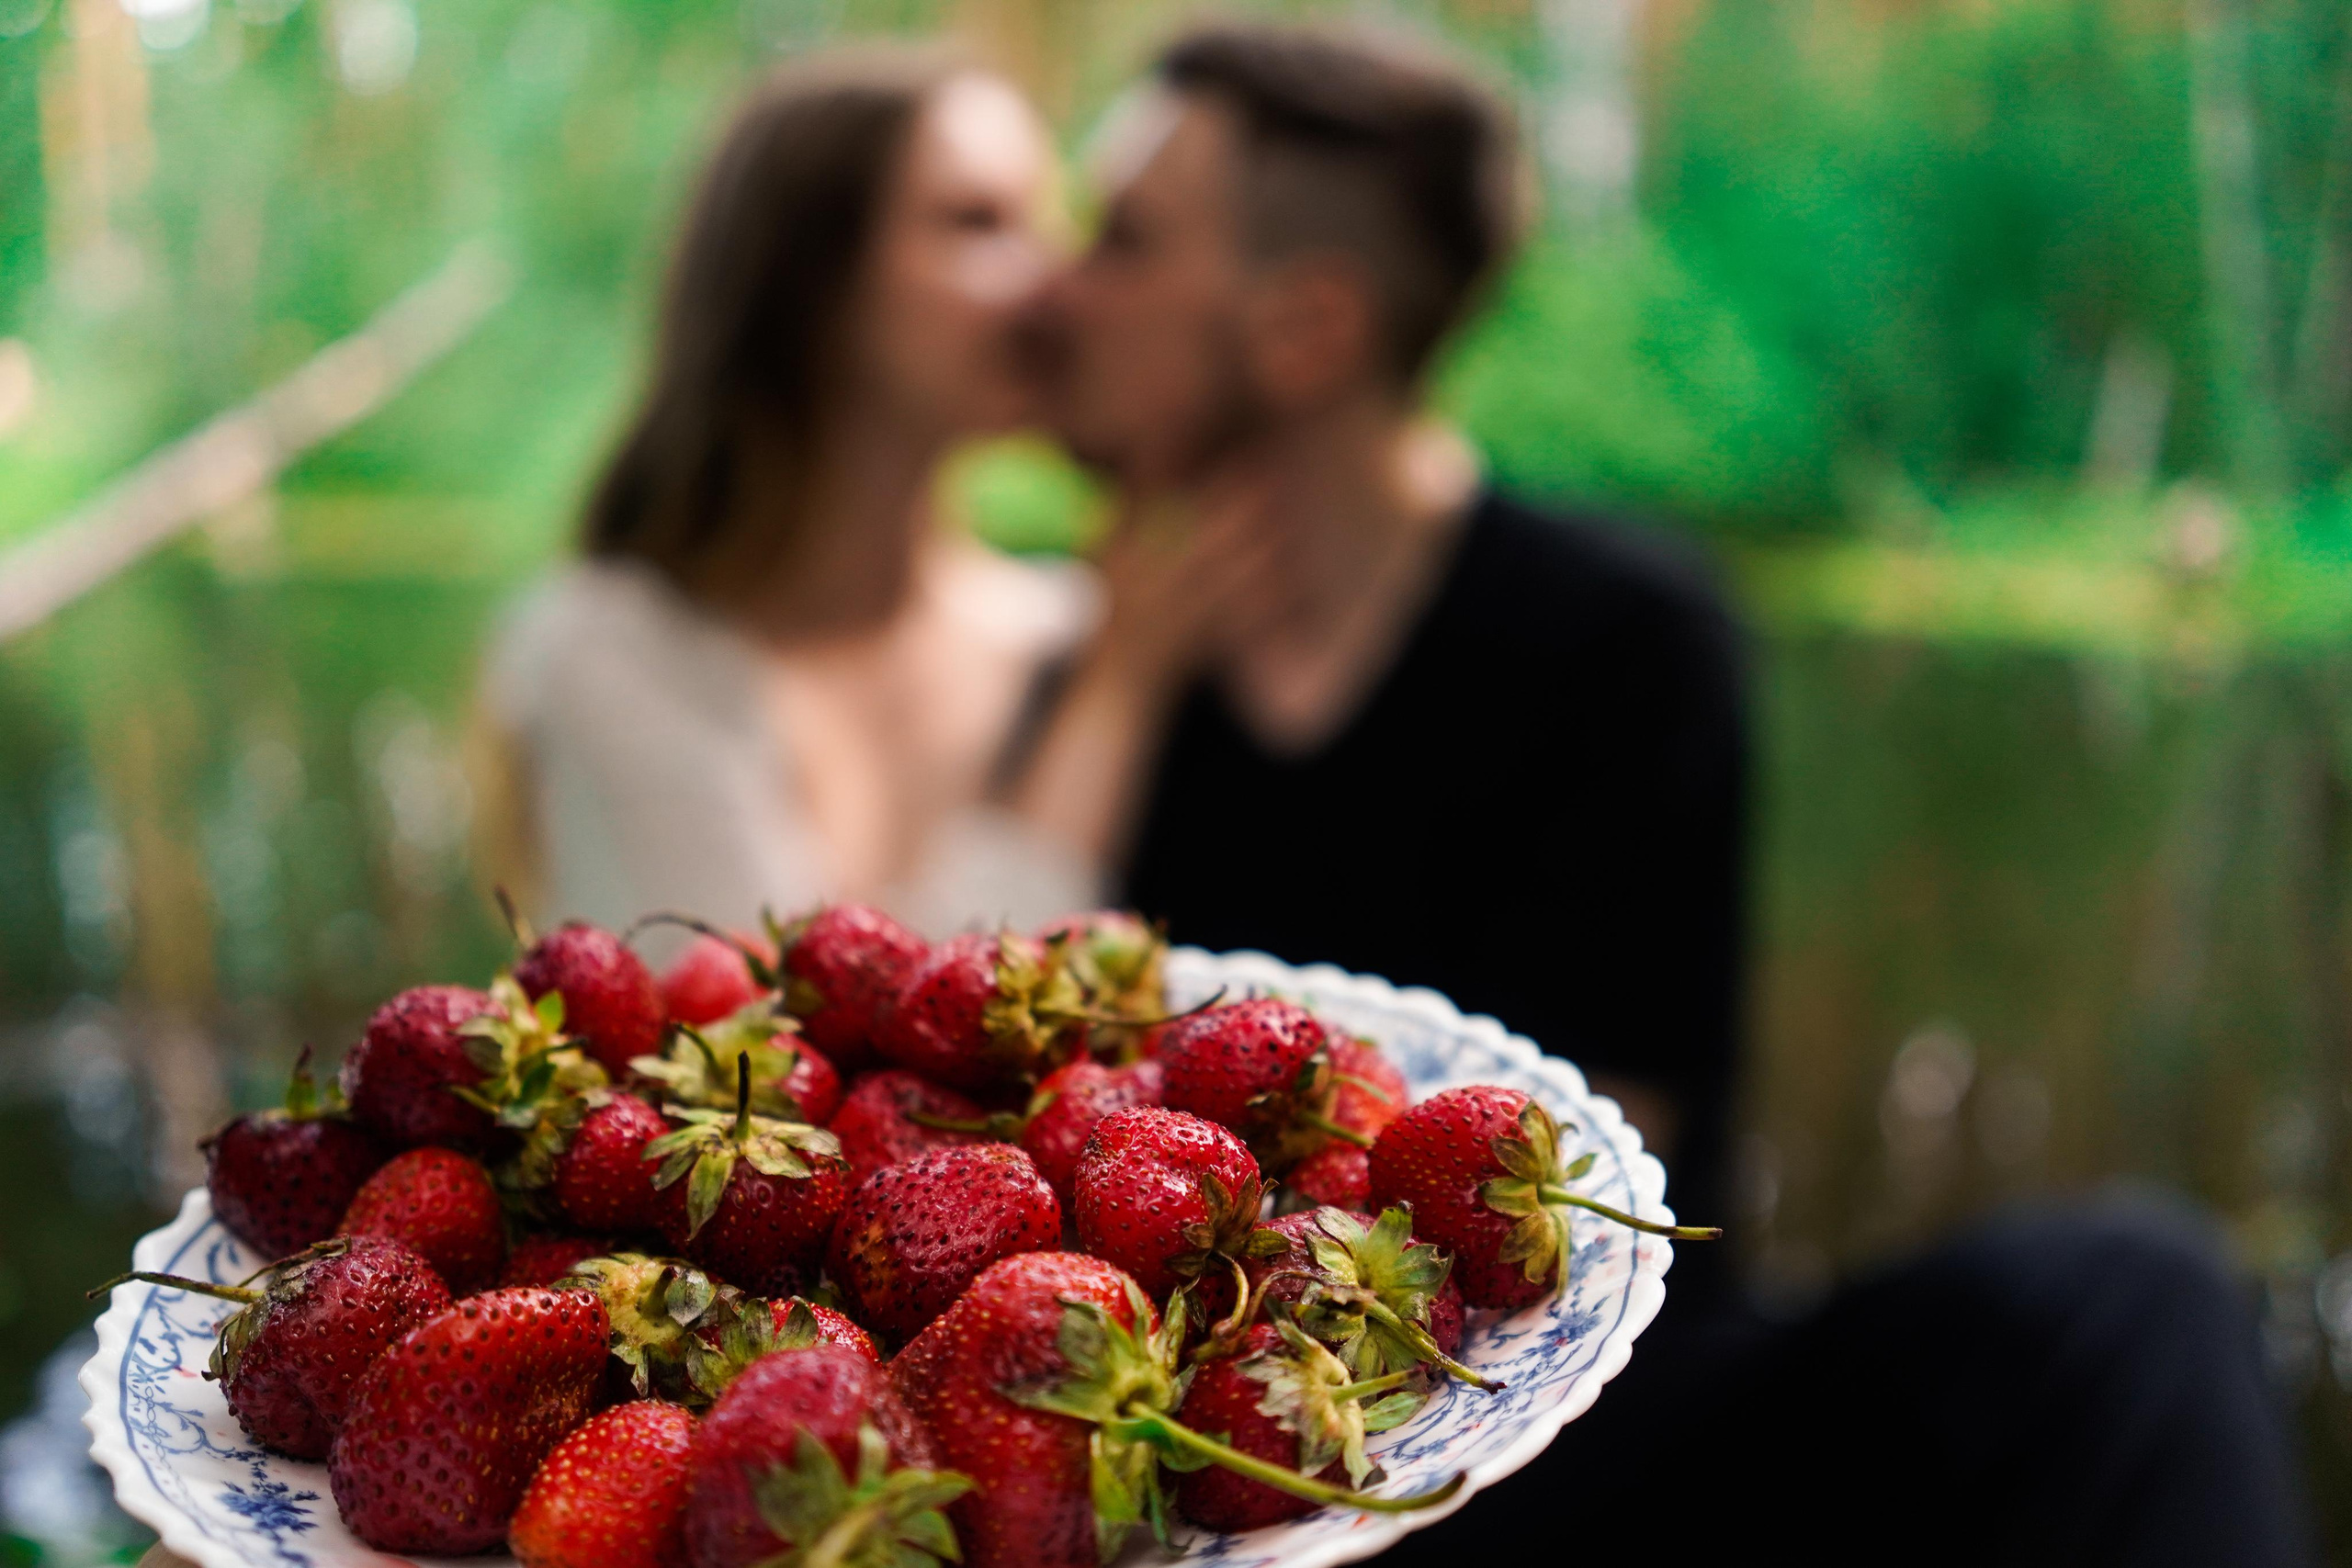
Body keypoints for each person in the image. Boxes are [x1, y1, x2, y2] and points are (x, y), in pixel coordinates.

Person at [1014, 23, 2314, 1564]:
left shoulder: (1620, 637)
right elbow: (1000, 1040)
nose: (1054, 293)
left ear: (1306, 328)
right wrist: (1119, 684)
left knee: (2133, 1295)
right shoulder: (1085, 653)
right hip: (1197, 1428)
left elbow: (1577, 1169)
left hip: (1578, 1413)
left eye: (1124, 239)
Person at [478, 47, 1105, 942]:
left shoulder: (1068, 628)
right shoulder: (610, 651)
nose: (1054, 284)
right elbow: (765, 1051)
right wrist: (1113, 708)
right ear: (809, 281)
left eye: (1049, 225)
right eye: (977, 224)